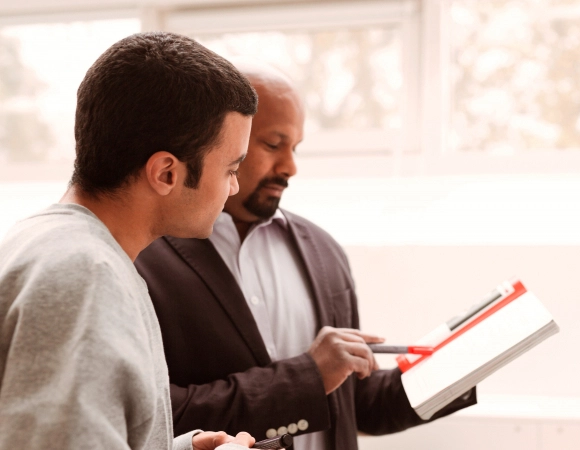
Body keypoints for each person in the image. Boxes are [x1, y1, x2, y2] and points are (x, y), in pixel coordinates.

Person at [135, 66, 477, 450]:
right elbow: (154, 417)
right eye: (272, 144)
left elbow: (358, 406)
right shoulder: (144, 258)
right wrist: (307, 377)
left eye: (294, 148)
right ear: (223, 142)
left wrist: (462, 362)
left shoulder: (324, 251)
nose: (290, 167)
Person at [0, 32, 261, 450]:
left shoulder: (49, 242)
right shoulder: (85, 276)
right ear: (165, 173)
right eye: (231, 168)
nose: (232, 188)